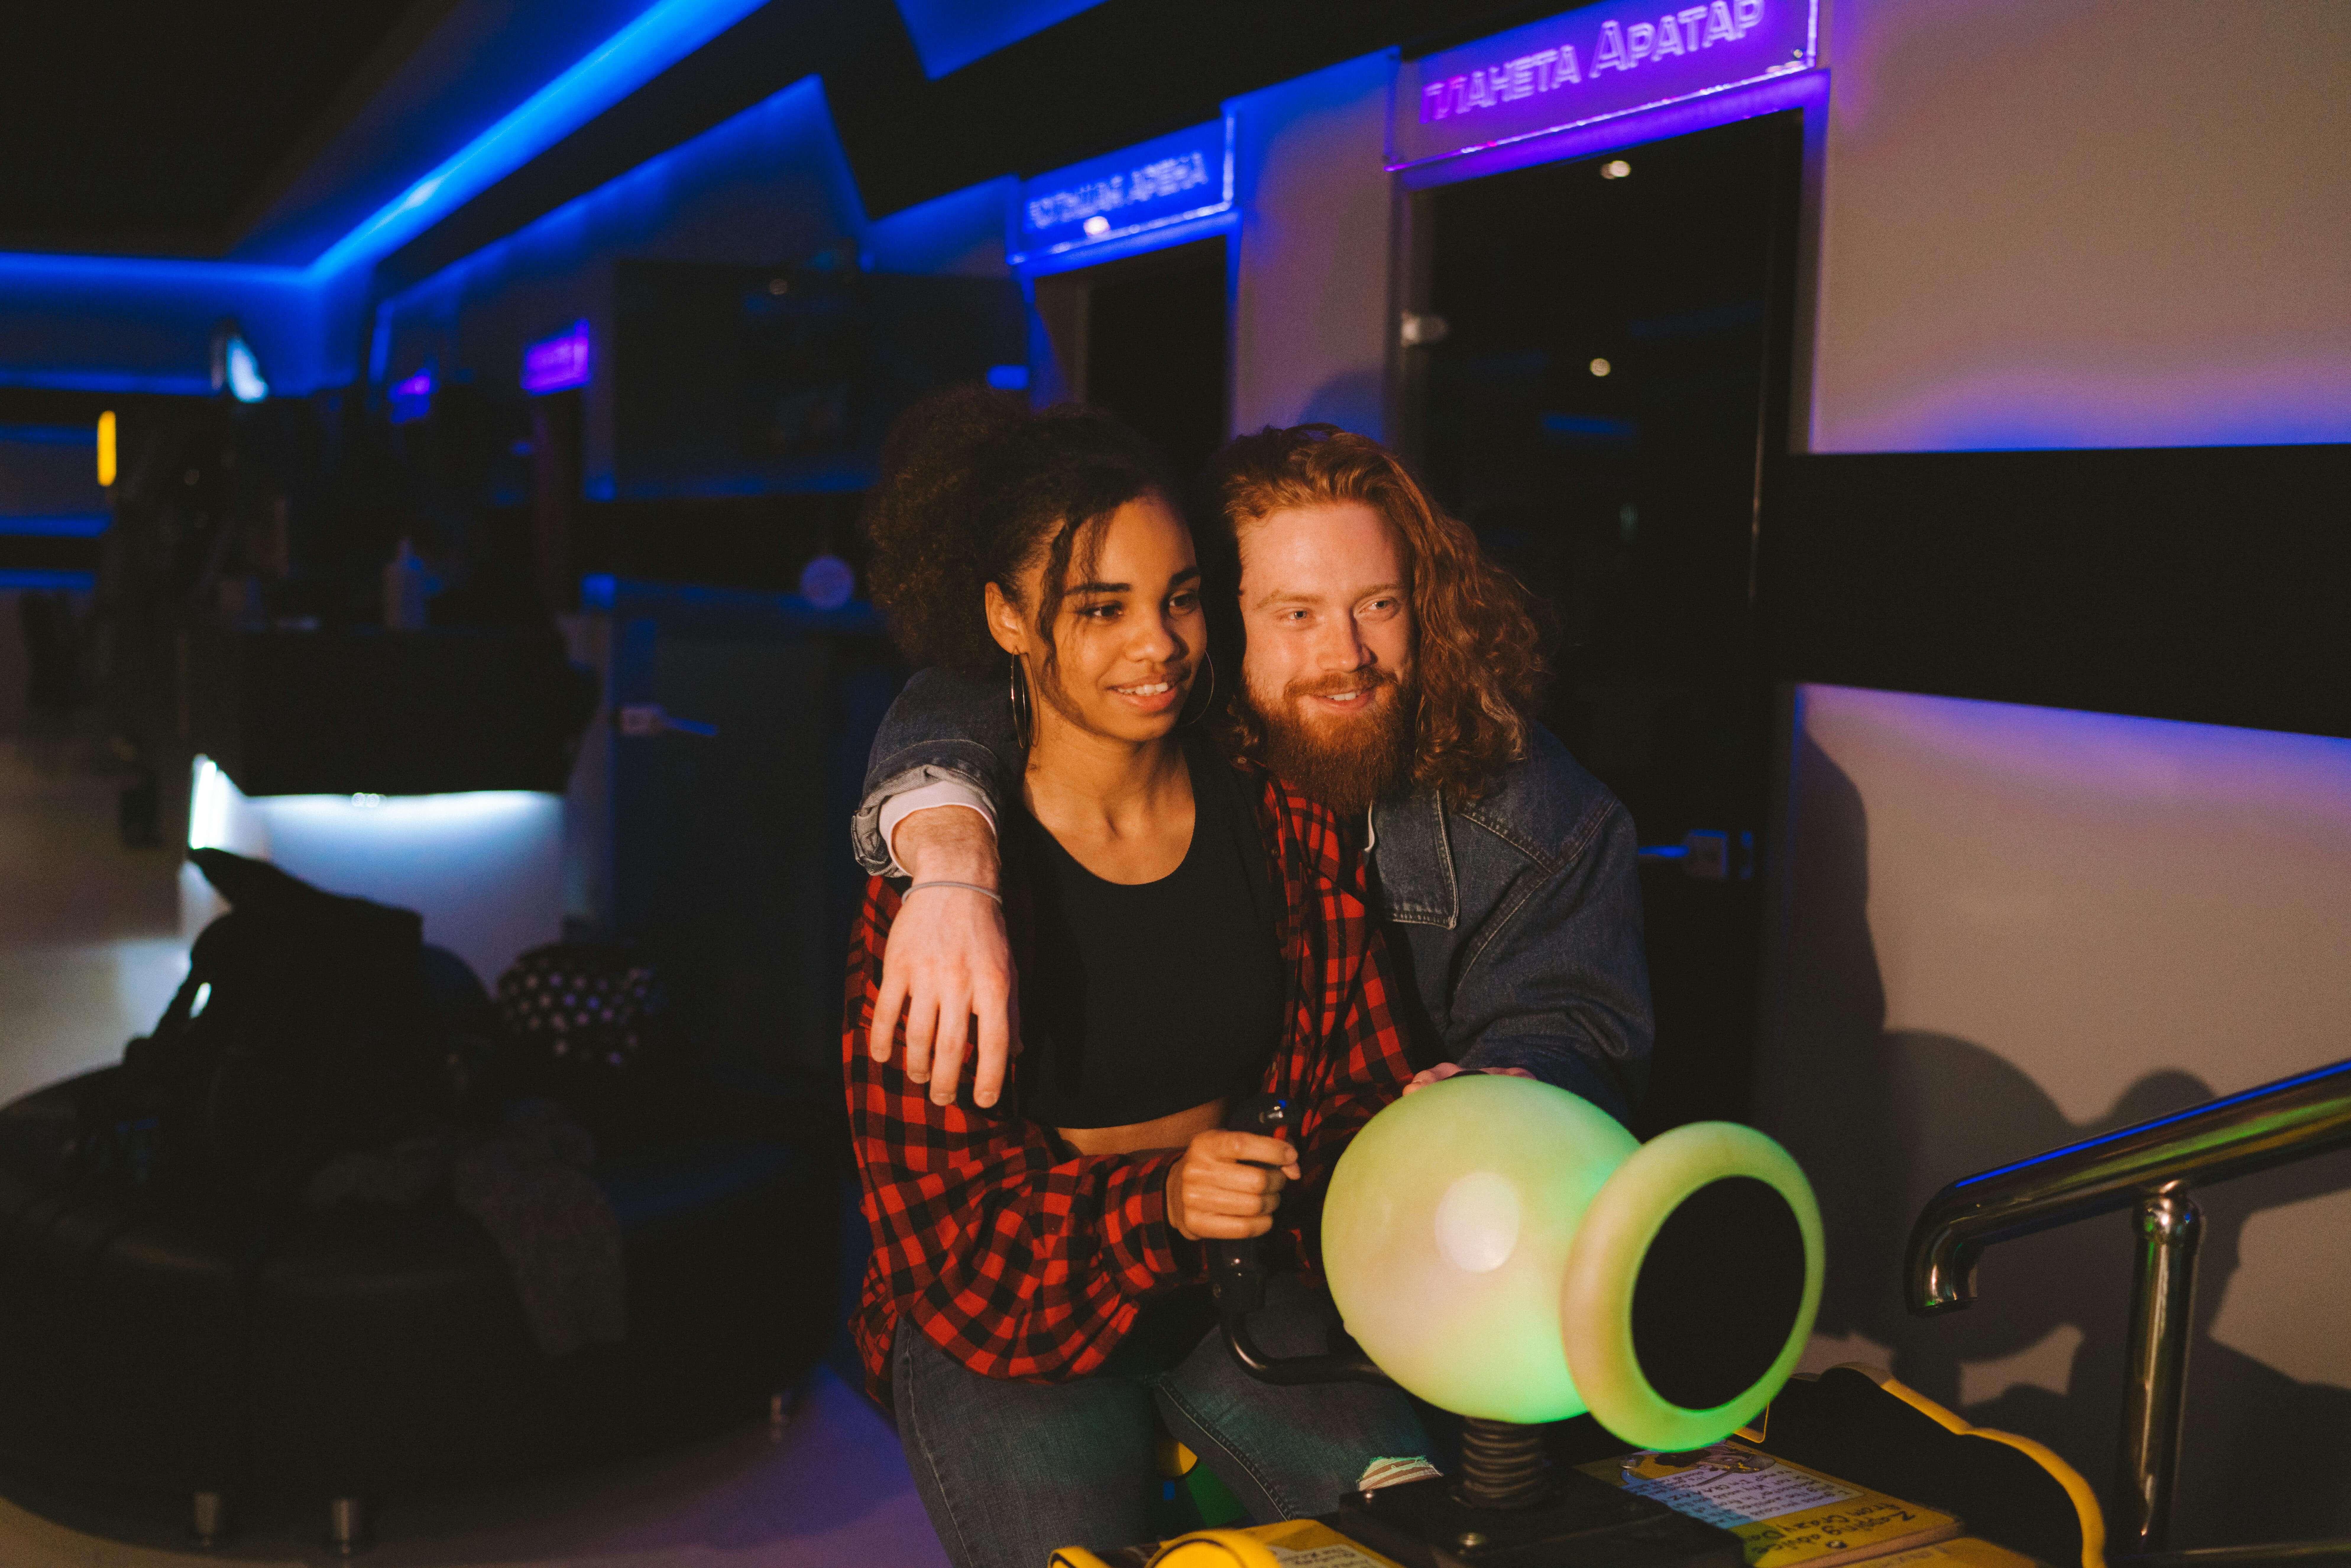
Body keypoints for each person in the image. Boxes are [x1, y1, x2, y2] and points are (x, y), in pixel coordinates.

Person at [845, 392, 1431, 1568]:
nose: (1157, 646)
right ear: (1008, 619)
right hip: (1007, 1317)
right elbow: (945, 1246)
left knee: (1414, 1526)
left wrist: (1407, 1133)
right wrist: (1156, 1203)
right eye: (1098, 610)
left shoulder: (1277, 821)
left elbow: (1360, 1077)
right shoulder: (940, 890)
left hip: (1246, 1281)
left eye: (1177, 599)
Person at [854, 422, 1651, 1125]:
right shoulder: (1185, 717)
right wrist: (955, 860)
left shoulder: (1538, 811)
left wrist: (1508, 1092)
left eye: (1379, 605)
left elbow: (1575, 1033)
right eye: (1297, 614)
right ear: (1223, 620)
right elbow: (971, 692)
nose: (1347, 658)